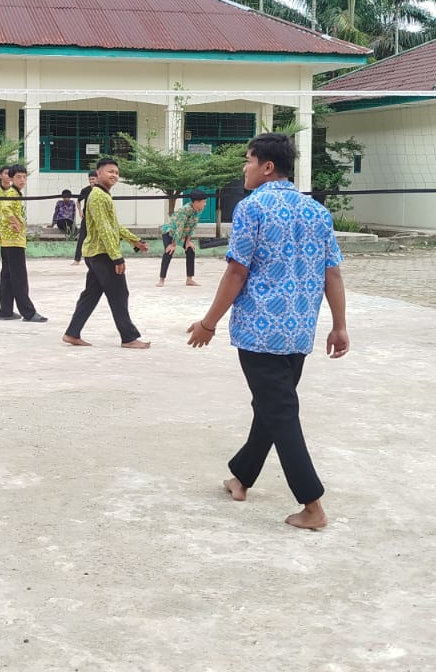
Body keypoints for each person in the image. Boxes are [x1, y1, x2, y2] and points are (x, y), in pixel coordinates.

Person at [185, 133, 349, 531]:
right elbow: (333, 273)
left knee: (279, 411)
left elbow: (236, 270)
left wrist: (208, 323)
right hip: (298, 333)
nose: (244, 167)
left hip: (260, 333)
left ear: (267, 167)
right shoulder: (316, 211)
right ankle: (241, 478)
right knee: (271, 407)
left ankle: (312, 505)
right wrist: (339, 325)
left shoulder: (251, 208)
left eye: (248, 160)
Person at [63, 157, 150, 349]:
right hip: (102, 254)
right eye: (110, 171)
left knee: (91, 295)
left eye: (117, 173)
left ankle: (72, 333)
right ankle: (128, 337)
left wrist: (134, 240)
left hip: (95, 254)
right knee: (119, 293)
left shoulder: (103, 195)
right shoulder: (98, 196)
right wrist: (117, 257)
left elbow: (114, 226)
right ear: (99, 173)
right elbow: (104, 229)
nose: (114, 175)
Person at [0, 166, 47, 323]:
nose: (22, 180)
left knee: (7, 276)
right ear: (11, 179)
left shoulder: (14, 193)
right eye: (19, 177)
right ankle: (28, 312)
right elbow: (5, 209)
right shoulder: (12, 193)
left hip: (7, 241)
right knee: (19, 278)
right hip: (13, 242)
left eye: (24, 177)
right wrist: (15, 223)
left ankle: (5, 311)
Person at [157, 190, 208, 287]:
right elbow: (179, 227)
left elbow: (192, 225)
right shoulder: (186, 210)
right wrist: (173, 244)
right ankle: (161, 279)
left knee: (190, 250)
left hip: (182, 233)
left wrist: (188, 241)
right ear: (196, 202)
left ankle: (189, 279)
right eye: (203, 202)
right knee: (169, 251)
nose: (205, 204)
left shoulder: (199, 210)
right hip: (170, 231)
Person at [72, 169, 99, 265]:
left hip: (98, 218)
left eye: (93, 179)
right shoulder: (85, 190)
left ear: (98, 178)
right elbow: (78, 201)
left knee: (99, 238)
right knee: (82, 238)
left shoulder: (101, 190)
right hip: (87, 218)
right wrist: (80, 211)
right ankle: (77, 259)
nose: (91, 181)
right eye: (90, 179)